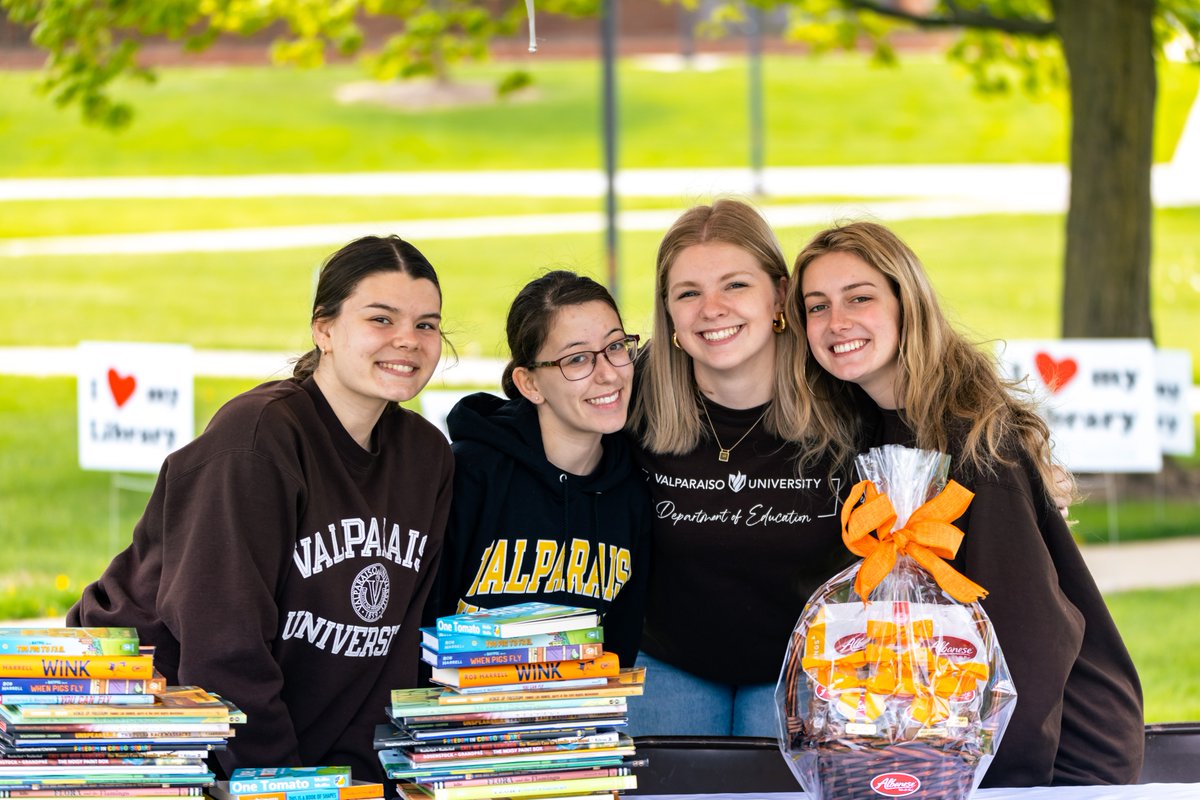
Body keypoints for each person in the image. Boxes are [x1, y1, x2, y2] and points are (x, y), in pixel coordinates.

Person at [68, 235, 454, 783]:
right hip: (152, 731)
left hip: (279, 746)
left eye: (426, 325)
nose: (408, 341)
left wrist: (360, 779)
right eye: (381, 319)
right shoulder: (256, 442)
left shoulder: (425, 456)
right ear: (324, 329)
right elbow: (222, 646)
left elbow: (390, 650)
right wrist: (282, 785)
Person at [788, 220, 1144, 786]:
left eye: (860, 298)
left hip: (1051, 756)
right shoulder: (868, 431)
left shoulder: (973, 439)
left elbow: (1030, 633)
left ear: (909, 304)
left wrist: (974, 776)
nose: (837, 322)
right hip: (944, 749)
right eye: (816, 306)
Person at [625, 199, 853, 737]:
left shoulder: (841, 388)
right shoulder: (631, 390)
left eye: (735, 285)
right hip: (667, 659)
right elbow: (539, 401)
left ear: (778, 292)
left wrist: (1029, 466)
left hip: (806, 663)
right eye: (689, 293)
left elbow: (936, 408)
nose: (712, 309)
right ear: (669, 310)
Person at [432, 270, 651, 667]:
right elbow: (420, 624)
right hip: (461, 720)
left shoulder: (631, 492)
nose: (608, 374)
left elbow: (617, 654)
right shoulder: (469, 475)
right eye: (578, 359)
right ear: (529, 384)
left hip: (579, 722)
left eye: (616, 346)